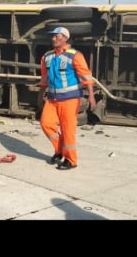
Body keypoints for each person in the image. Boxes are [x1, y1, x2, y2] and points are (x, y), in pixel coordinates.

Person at [37, 26, 96, 170]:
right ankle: (60, 151)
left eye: (57, 36)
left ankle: (71, 160)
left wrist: (92, 96)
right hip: (52, 99)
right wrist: (40, 96)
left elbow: (86, 77)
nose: (54, 38)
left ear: (65, 38)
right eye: (53, 36)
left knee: (67, 130)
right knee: (46, 124)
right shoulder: (47, 57)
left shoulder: (75, 55)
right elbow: (44, 79)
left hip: (70, 100)